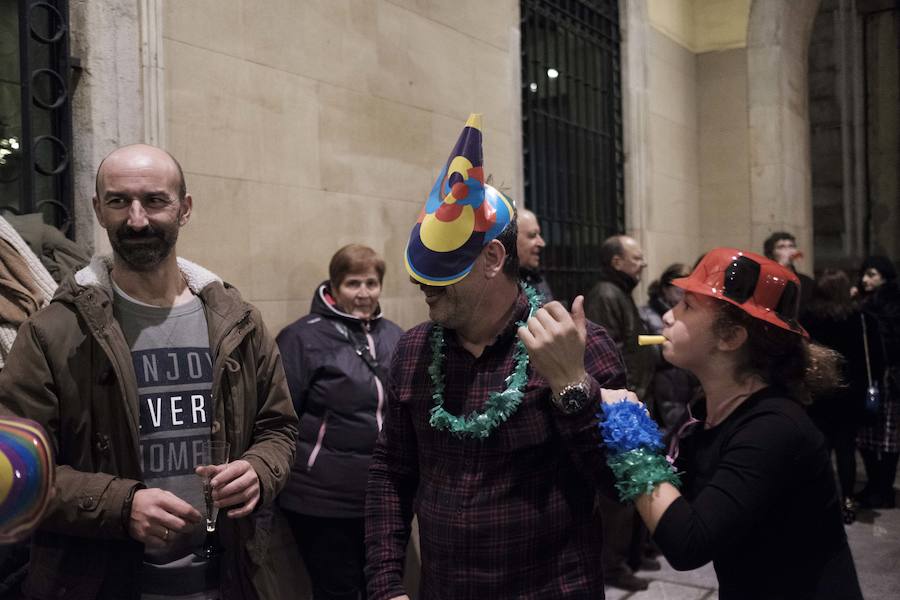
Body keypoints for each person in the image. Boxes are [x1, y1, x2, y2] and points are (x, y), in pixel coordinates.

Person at [0, 144, 299, 599]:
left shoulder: (237, 321)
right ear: (98, 210)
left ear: (185, 208)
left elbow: (279, 428)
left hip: (231, 579)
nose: (137, 219)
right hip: (99, 583)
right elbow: (13, 470)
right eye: (119, 201)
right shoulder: (53, 332)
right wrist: (121, 506)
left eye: (155, 200)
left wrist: (259, 469)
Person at [365, 114, 626, 599]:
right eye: (423, 270)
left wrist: (572, 385)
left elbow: (620, 484)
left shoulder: (576, 343)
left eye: (442, 272)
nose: (422, 284)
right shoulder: (414, 349)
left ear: (492, 260)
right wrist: (385, 585)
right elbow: (391, 471)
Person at [599, 247, 863, 600]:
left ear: (731, 337)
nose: (667, 316)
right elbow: (656, 498)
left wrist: (629, 431)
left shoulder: (774, 427)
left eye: (687, 306)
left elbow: (687, 543)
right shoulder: (709, 411)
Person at [276, 244, 402, 600]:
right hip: (321, 498)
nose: (364, 293)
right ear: (333, 286)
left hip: (380, 495)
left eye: (371, 283)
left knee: (381, 587)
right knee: (339, 590)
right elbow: (280, 416)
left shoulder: (394, 335)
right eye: (352, 283)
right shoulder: (302, 338)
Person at [584, 234, 656, 591]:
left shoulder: (620, 292)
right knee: (617, 494)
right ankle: (612, 565)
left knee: (636, 484)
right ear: (617, 262)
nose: (643, 263)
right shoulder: (606, 294)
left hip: (633, 401)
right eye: (636, 257)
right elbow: (607, 354)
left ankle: (632, 553)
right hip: (619, 407)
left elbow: (632, 342)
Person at [802, 269, 878, 522]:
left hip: (818, 392)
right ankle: (847, 500)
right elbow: (875, 357)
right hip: (850, 394)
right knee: (846, 448)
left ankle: (820, 502)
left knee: (819, 448)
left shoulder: (808, 317)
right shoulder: (860, 318)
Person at [854, 255, 900, 509]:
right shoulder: (865, 302)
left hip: (889, 379)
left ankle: (883, 488)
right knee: (868, 435)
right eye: (864, 274)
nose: (865, 279)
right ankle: (877, 486)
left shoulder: (888, 304)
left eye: (871, 274)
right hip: (872, 378)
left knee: (888, 436)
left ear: (884, 276)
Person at [639, 263, 699, 433]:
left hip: (687, 386)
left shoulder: (689, 314)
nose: (682, 298)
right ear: (665, 289)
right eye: (679, 292)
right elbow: (644, 356)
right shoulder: (646, 314)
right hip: (661, 390)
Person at [763, 231, 814, 312]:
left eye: (791, 246)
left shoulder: (806, 281)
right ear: (771, 254)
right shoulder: (765, 279)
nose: (788, 250)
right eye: (781, 247)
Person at [516, 208, 553, 301]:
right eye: (532, 235)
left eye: (539, 235)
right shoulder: (494, 284)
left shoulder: (538, 280)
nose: (542, 243)